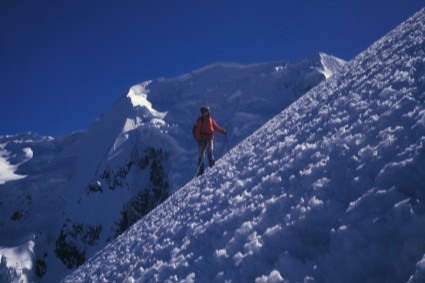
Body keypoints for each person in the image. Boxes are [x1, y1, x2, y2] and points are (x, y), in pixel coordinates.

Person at [192, 106, 227, 176]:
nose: (206, 113)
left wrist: (223, 131)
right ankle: (202, 170)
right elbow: (197, 132)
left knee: (209, 153)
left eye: (207, 112)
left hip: (208, 139)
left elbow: (216, 127)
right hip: (203, 140)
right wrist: (200, 140)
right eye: (205, 112)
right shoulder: (201, 121)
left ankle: (211, 166)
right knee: (203, 155)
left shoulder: (209, 120)